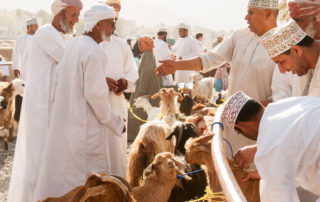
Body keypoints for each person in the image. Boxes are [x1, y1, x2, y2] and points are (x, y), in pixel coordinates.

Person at [155, 0, 278, 156]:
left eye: (251, 12)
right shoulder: (240, 35)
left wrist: (248, 113)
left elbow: (282, 97)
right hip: (230, 124)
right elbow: (210, 59)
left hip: (258, 130)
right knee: (225, 165)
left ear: (268, 13)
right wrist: (177, 65)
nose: (246, 17)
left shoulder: (282, 43)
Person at [32, 4, 125, 201]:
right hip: (86, 131)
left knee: (67, 180)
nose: (114, 29)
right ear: (99, 24)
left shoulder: (75, 44)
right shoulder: (94, 52)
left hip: (69, 125)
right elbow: (97, 99)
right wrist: (117, 123)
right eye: (111, 23)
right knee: (90, 186)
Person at [7, 1, 82, 201]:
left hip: (56, 109)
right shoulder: (47, 33)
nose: (77, 19)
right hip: (42, 110)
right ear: (59, 13)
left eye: (79, 14)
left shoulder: (67, 36)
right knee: (39, 162)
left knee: (56, 162)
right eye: (73, 14)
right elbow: (70, 62)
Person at [219, 91, 320, 201]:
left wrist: (269, 173)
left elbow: (277, 196)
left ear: (241, 126)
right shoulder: (291, 104)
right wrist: (266, 172)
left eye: (239, 132)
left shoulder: (268, 145)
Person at [99, 0, 139, 178]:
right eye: (110, 20)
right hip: (92, 107)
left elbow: (133, 74)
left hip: (116, 105)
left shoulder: (121, 45)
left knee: (116, 150)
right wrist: (101, 81)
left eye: (115, 20)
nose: (113, 25)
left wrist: (124, 83)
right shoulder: (83, 44)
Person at [260, 19, 320, 97]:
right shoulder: (308, 67)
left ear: (296, 51)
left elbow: (313, 105)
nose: (282, 71)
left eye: (281, 62)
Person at [127, 36, 162, 141]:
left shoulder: (147, 55)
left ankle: (134, 135)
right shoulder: (149, 55)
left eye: (141, 44)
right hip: (150, 88)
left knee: (138, 110)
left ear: (147, 44)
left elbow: (145, 74)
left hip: (145, 88)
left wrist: (142, 90)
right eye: (138, 44)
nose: (139, 46)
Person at [11, 17, 38, 122]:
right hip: (24, 72)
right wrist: (16, 68)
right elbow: (16, 54)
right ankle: (18, 119)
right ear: (29, 27)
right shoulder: (21, 39)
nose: (37, 28)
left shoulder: (38, 39)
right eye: (35, 26)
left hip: (36, 72)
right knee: (21, 95)